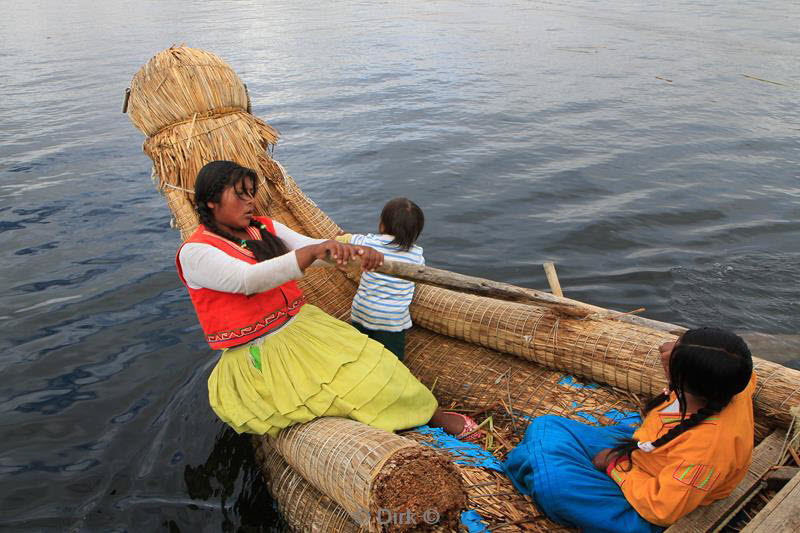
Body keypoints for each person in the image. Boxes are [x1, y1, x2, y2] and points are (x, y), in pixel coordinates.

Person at [176, 160, 480, 440]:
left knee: (380, 364)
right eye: (240, 195)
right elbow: (246, 280)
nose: (250, 202)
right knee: (337, 396)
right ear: (211, 201)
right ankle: (394, 430)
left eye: (252, 194)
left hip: (304, 329)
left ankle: (431, 416)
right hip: (260, 355)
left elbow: (314, 249)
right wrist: (309, 254)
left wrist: (357, 254)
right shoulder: (196, 252)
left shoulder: (263, 227)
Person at [503, 327, 755, 533]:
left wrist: (616, 468)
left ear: (688, 380)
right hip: (643, 449)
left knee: (555, 488)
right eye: (676, 341)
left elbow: (663, 509)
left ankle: (537, 464)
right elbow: (733, 363)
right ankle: (538, 460)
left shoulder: (707, 450)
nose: (664, 348)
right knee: (546, 424)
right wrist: (685, 356)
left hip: (650, 504)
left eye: (674, 352)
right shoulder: (732, 383)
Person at [335, 197, 425, 361]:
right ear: (416, 232)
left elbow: (343, 241)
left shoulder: (369, 242)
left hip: (362, 310)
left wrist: (340, 237)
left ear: (382, 225)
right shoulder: (417, 255)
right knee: (392, 360)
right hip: (391, 319)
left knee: (359, 351)